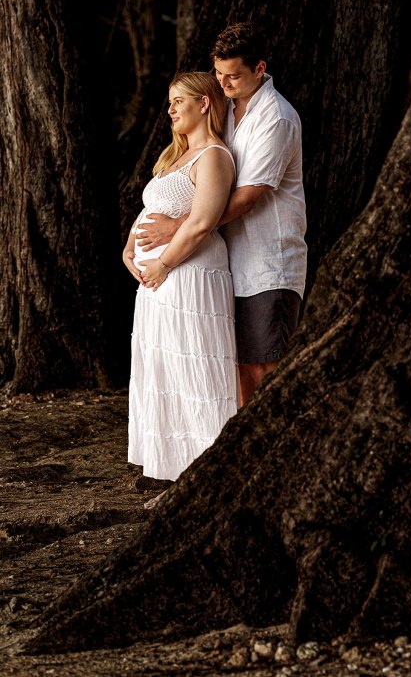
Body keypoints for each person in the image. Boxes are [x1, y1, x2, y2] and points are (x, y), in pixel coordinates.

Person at [135, 23, 307, 405]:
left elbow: (247, 197)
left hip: (269, 262)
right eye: (218, 74)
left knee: (265, 365)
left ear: (259, 68)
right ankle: (244, 451)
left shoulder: (276, 118)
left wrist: (180, 229)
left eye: (233, 75)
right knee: (239, 365)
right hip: (230, 261)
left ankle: (272, 452)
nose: (224, 83)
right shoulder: (226, 111)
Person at [123, 71, 238, 507]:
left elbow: (204, 223)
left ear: (204, 104)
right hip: (159, 284)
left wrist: (163, 265)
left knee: (200, 374)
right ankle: (180, 482)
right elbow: (157, 209)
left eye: (178, 101)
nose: (170, 110)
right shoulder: (176, 156)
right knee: (167, 371)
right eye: (169, 103)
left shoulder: (213, 157)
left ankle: (211, 481)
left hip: (190, 277)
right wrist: (130, 248)